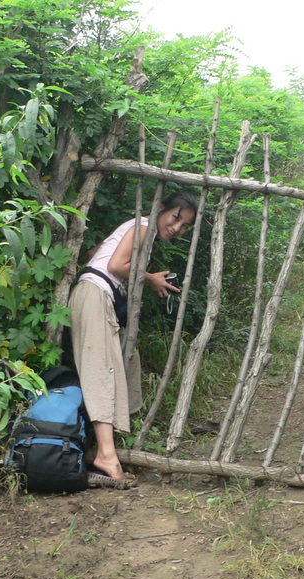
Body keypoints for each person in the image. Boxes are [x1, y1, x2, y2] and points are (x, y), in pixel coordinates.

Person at [68, 191, 198, 483]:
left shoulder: (135, 227)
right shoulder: (142, 228)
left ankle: (100, 447)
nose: (177, 228)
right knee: (101, 370)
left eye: (185, 225)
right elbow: (115, 267)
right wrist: (150, 278)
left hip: (96, 295)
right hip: (95, 295)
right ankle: (106, 456)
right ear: (161, 208)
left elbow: (95, 256)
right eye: (175, 218)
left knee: (124, 364)